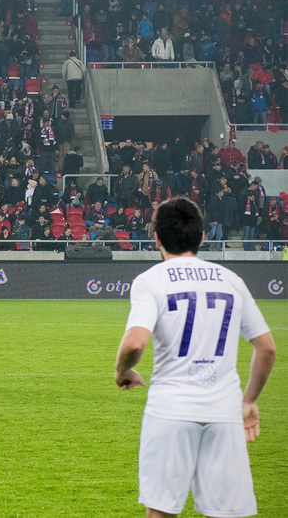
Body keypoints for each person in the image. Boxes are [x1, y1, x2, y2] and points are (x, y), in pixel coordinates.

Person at [114, 197, 276, 518]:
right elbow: (267, 348)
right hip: (224, 412)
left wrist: (122, 371)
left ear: (156, 238)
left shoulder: (150, 280)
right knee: (226, 513)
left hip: (170, 410)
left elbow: (134, 344)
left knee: (161, 512)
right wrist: (249, 401)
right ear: (202, 237)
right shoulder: (231, 280)